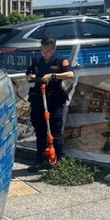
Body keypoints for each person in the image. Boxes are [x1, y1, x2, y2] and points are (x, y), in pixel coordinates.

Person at [26, 36, 75, 172]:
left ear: (54, 49)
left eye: (47, 51)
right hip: (37, 99)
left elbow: (71, 74)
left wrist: (52, 76)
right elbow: (27, 76)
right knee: (40, 131)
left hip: (53, 100)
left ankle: (59, 161)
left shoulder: (60, 61)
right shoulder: (36, 61)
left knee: (55, 131)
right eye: (42, 50)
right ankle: (40, 160)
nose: (44, 54)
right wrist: (31, 77)